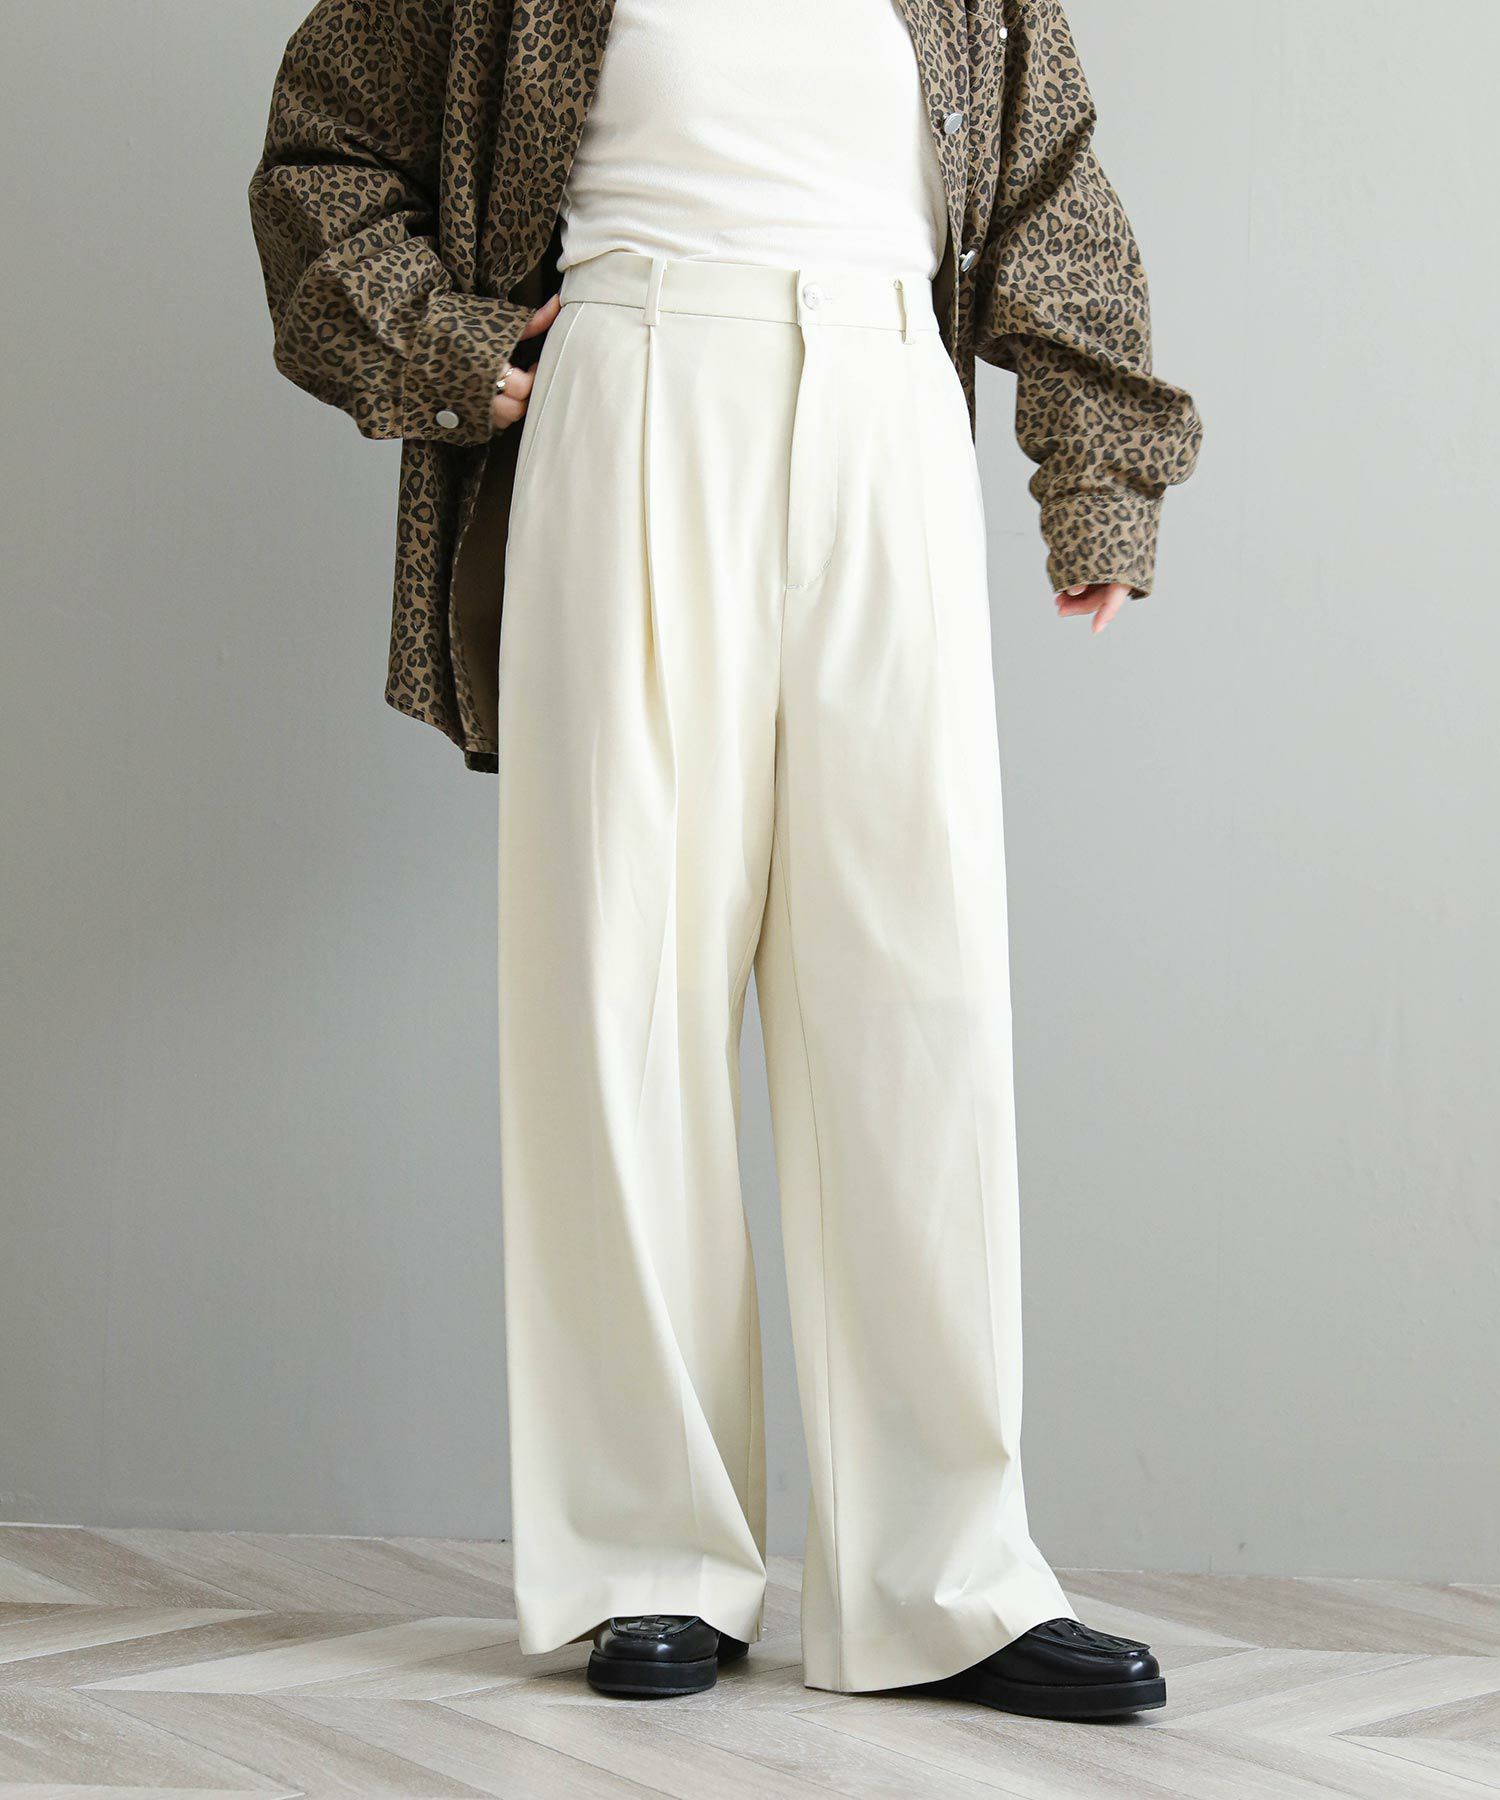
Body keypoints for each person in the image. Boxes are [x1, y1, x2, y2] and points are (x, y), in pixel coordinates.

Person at [248, 0, 1202, 1720]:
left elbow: (1050, 189)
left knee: (919, 1002)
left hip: (888, 401)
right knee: (621, 986)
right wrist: (444, 345)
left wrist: (1100, 471)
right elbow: (321, 146)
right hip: (631, 388)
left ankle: (949, 1579)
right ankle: (648, 1560)